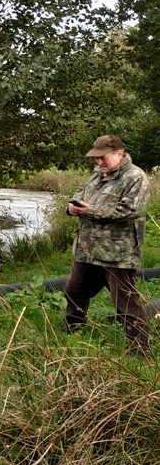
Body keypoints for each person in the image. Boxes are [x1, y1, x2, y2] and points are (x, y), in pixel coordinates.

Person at [62, 135, 153, 354]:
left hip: (117, 254)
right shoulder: (97, 176)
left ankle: (139, 349)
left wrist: (90, 211)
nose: (99, 163)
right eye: (96, 159)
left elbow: (132, 210)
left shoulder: (135, 177)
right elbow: (79, 196)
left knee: (125, 305)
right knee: (74, 292)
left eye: (103, 158)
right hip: (87, 250)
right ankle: (72, 332)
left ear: (118, 154)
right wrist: (71, 207)